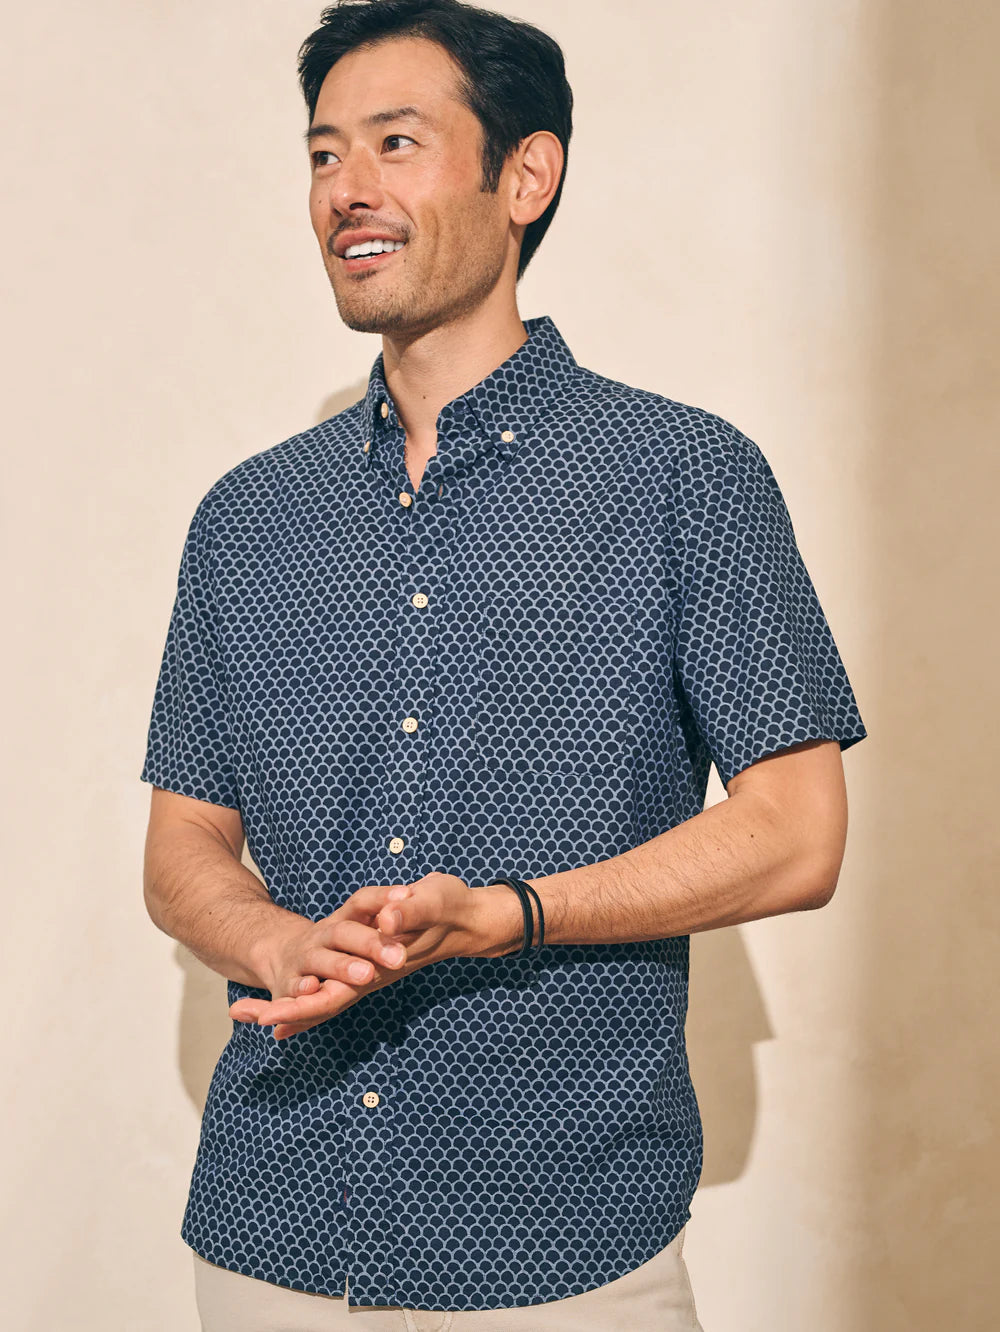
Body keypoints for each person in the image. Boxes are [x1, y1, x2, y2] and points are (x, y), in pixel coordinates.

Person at [139, 1, 868, 1327]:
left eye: (396, 143)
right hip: (270, 1237)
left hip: (562, 1250)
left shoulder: (686, 480)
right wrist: (276, 937)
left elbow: (797, 836)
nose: (347, 190)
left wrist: (510, 913)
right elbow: (182, 842)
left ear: (524, 175)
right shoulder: (245, 519)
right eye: (320, 155)